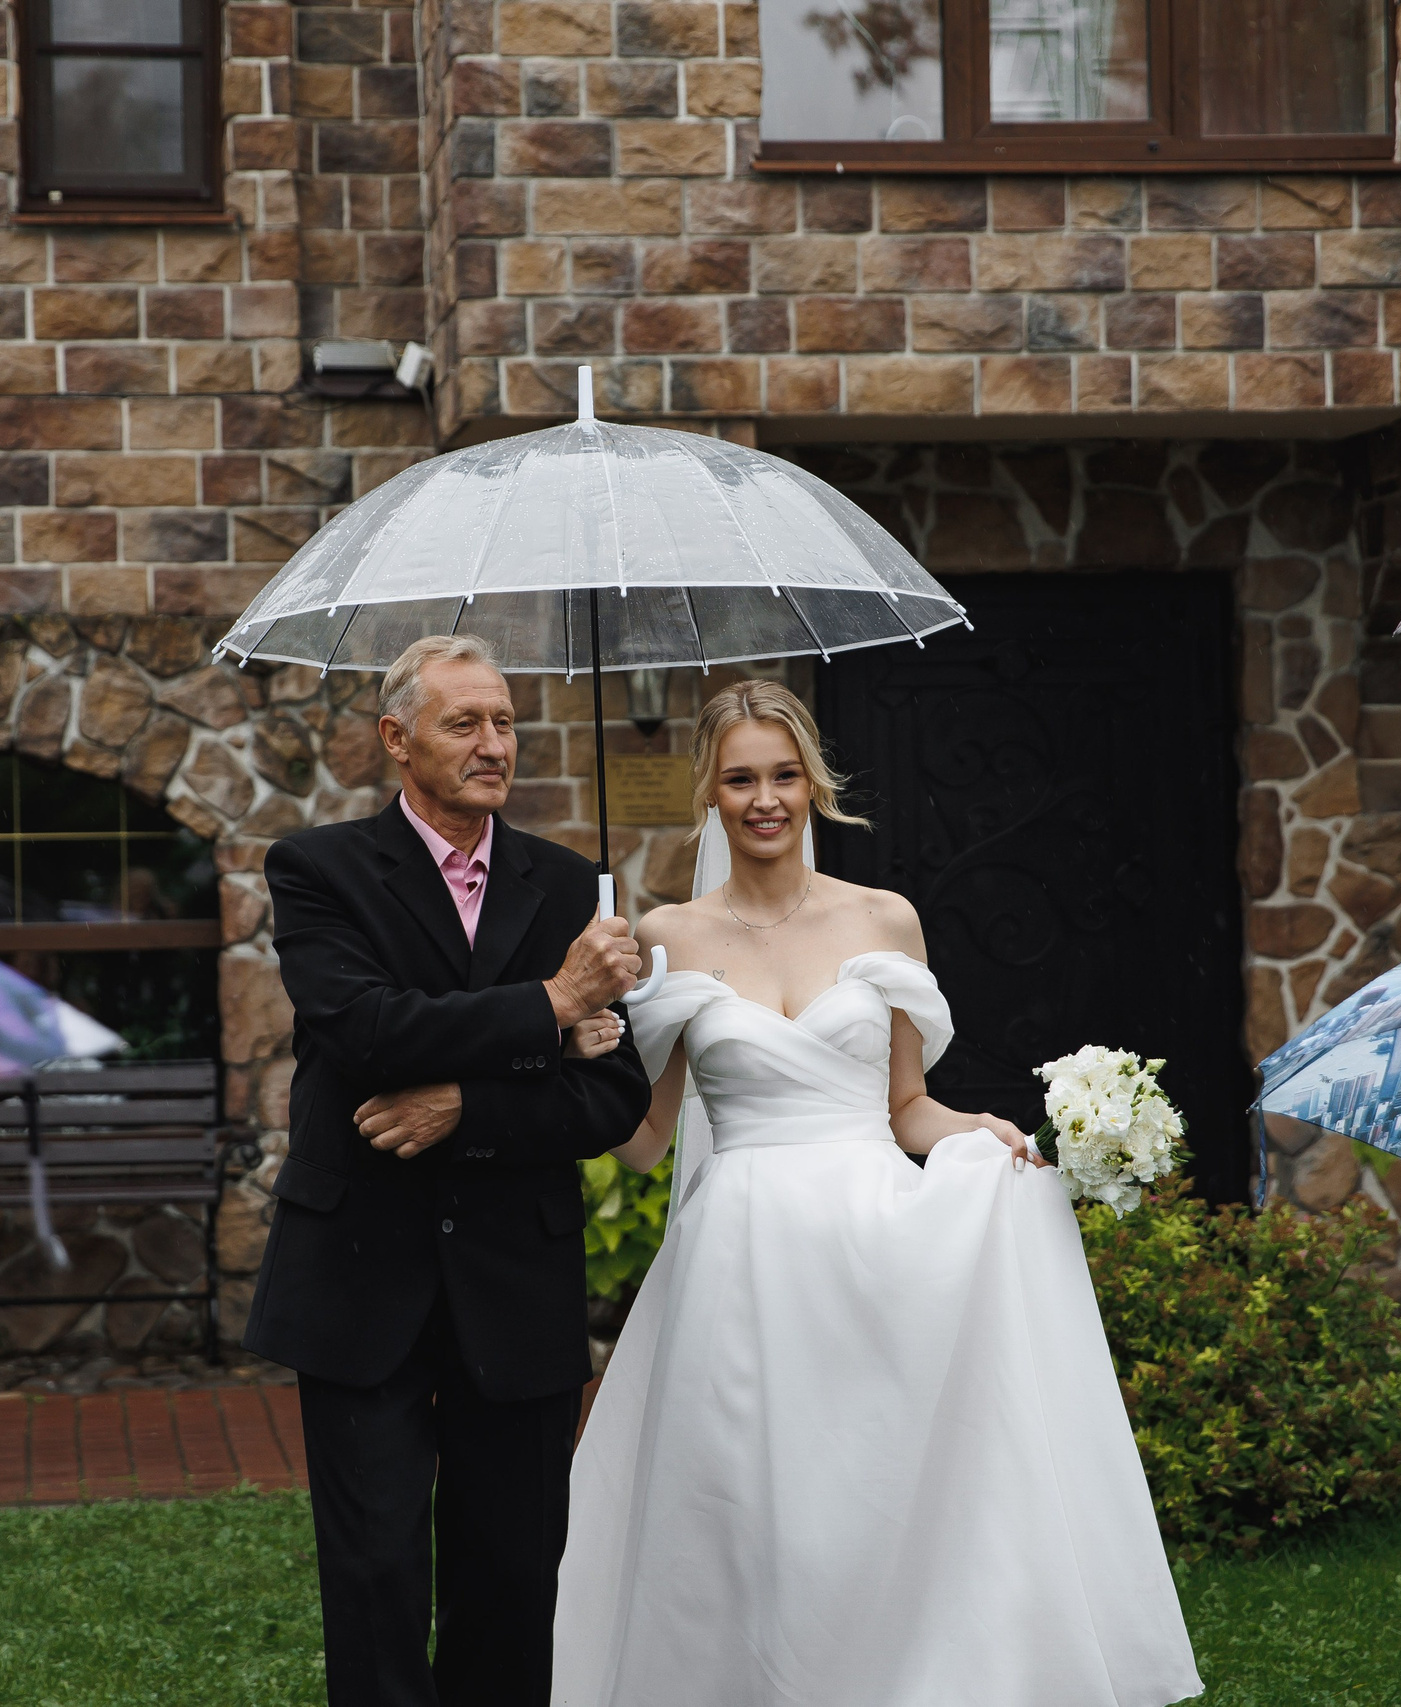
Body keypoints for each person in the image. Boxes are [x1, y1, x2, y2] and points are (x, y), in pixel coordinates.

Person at [550, 681, 1201, 1707]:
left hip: (871, 1247)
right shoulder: (666, 933)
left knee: (870, 1495)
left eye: (782, 775)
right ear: (710, 795)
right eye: (740, 779)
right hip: (740, 1262)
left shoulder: (883, 920)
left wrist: (978, 1132)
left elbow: (907, 1108)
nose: (765, 799)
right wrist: (583, 1044)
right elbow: (644, 1144)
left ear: (813, 783)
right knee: (752, 1509)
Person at [239, 634, 652, 1707]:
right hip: (358, 1279)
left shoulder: (567, 887)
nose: (492, 744)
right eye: (464, 722)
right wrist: (553, 1009)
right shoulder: (318, 868)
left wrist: (466, 1100)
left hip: (517, 1283)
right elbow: (368, 1034)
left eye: (505, 722)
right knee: (374, 1575)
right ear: (398, 739)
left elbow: (615, 1094)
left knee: (510, 1580)